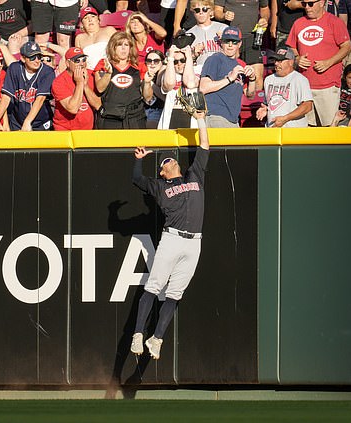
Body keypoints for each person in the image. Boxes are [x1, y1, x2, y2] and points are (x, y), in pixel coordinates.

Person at [130, 108, 210, 361]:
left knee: (175, 294)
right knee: (154, 287)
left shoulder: (194, 174)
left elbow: (205, 145)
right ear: (163, 172)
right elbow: (136, 179)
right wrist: (139, 158)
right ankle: (138, 334)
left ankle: (157, 339)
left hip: (194, 243)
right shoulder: (160, 185)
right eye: (165, 162)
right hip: (172, 239)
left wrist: (200, 119)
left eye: (171, 159)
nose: (170, 161)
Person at [286, 0, 351, 127]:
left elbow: (346, 46)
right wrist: (297, 58)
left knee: (329, 127)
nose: (307, 7)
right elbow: (291, 47)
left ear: (321, 2)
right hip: (305, 87)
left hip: (327, 85)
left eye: (310, 4)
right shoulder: (298, 23)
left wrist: (329, 62)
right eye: (304, 4)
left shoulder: (334, 22)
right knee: (306, 128)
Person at [199, 26, 257, 127]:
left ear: (239, 44)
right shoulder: (215, 59)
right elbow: (203, 88)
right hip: (216, 116)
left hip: (234, 120)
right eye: (227, 41)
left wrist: (252, 78)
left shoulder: (241, 65)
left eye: (234, 42)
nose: (230, 45)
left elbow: (250, 96)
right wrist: (230, 78)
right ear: (221, 42)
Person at [94, 32, 154, 129]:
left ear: (130, 48)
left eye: (126, 45)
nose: (123, 48)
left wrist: (147, 83)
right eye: (119, 44)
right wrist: (108, 73)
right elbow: (100, 88)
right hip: (110, 117)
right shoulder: (103, 64)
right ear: (113, 47)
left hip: (135, 117)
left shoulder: (139, 66)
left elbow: (148, 97)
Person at [0, 41, 55, 131]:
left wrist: (27, 121)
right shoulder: (14, 68)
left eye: (39, 56)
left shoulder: (47, 72)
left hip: (40, 122)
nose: (37, 60)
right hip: (17, 121)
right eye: (32, 57)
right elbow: (6, 97)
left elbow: (40, 98)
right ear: (23, 58)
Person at [214, 0, 270, 89]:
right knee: (228, 75)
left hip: (252, 37)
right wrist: (224, 15)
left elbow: (265, 9)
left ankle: (255, 102)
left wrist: (264, 19)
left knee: (257, 78)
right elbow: (217, 10)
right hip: (231, 38)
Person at [256, 47, 313, 127]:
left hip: (293, 131)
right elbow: (268, 103)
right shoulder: (268, 80)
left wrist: (285, 118)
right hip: (273, 129)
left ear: (290, 62)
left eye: (280, 61)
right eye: (275, 60)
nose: (276, 63)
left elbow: (307, 106)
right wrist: (264, 109)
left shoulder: (299, 79)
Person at [51, 47, 100, 130]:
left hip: (87, 129)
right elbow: (73, 108)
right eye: (77, 61)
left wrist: (85, 85)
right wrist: (80, 83)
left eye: (84, 60)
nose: (82, 64)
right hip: (65, 129)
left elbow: (98, 105)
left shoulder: (91, 75)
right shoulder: (59, 82)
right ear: (67, 63)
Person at [158, 45, 199, 128]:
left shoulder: (197, 70)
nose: (179, 64)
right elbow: (169, 84)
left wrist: (189, 57)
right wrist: (170, 58)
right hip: (171, 116)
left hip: (192, 117)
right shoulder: (169, 73)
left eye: (182, 60)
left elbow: (190, 83)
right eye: (175, 62)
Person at [186, 0, 228, 71]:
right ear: (193, 12)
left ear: (211, 11)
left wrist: (225, 41)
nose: (201, 12)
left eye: (205, 9)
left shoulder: (223, 29)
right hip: (200, 72)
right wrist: (194, 55)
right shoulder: (188, 35)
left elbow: (236, 54)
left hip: (222, 70)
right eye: (197, 10)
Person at [75, 6, 118, 72]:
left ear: (98, 20)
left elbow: (121, 48)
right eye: (86, 18)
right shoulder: (79, 38)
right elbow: (78, 60)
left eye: (93, 16)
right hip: (89, 72)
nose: (90, 20)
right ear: (82, 24)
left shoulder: (109, 30)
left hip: (109, 70)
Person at [144, 50, 167, 128]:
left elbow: (165, 98)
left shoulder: (165, 75)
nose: (152, 64)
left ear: (162, 62)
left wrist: (150, 83)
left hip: (159, 110)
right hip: (142, 111)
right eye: (149, 61)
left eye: (156, 61)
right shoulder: (142, 75)